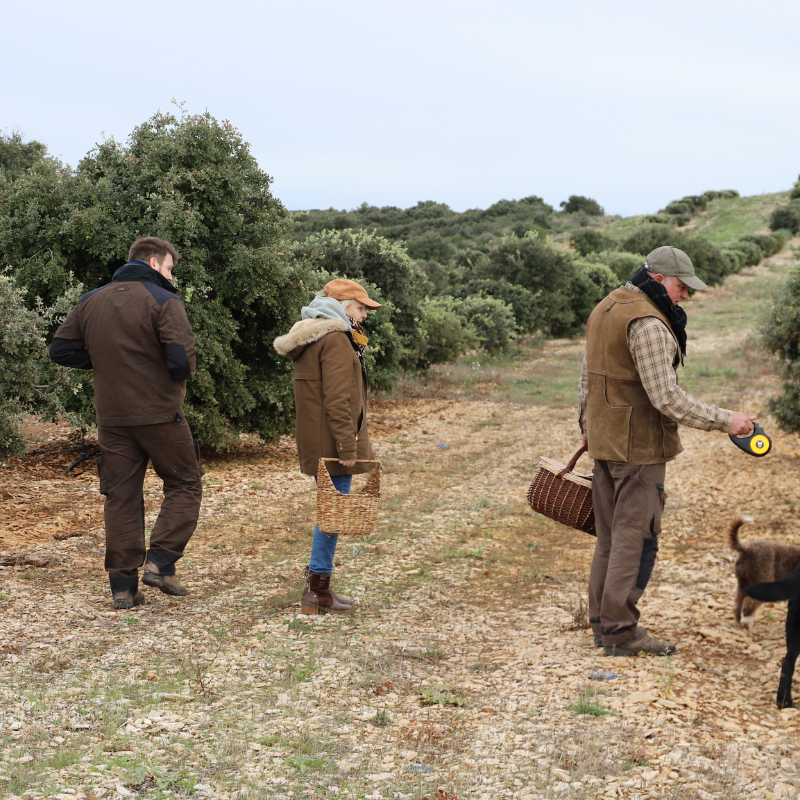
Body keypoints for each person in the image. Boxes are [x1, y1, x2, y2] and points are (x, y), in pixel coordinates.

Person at [578, 246, 756, 656]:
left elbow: (586, 380)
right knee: (634, 539)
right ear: (658, 279)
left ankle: (601, 625)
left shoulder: (605, 307)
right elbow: (667, 398)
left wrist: (588, 427)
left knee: (608, 537)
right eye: (681, 287)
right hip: (637, 449)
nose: (686, 296)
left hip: (605, 443)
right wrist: (727, 419)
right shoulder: (649, 323)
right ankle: (621, 631)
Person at [49, 237, 203, 610]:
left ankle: (122, 587)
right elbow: (182, 361)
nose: (172, 276)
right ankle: (161, 562)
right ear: (153, 262)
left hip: (112, 417)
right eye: (169, 268)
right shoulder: (164, 300)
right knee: (185, 482)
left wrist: (107, 364)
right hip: (160, 412)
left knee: (120, 496)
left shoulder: (91, 300)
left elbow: (61, 349)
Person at [273, 278, 381, 614]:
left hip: (321, 438)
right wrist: (347, 448)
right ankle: (318, 591)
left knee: (330, 512)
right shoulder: (335, 339)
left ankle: (318, 587)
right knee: (332, 515)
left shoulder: (317, 334)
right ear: (344, 306)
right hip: (332, 442)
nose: (364, 314)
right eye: (360, 307)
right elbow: (337, 400)